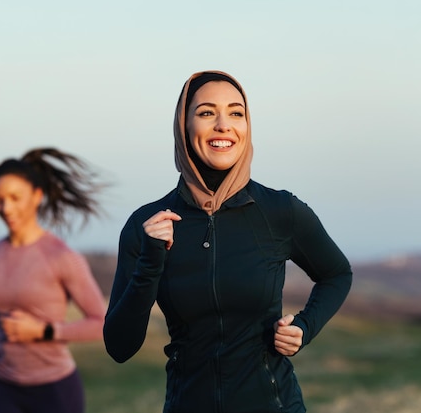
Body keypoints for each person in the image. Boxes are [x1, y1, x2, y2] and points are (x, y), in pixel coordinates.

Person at [103, 71, 352, 413]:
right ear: (184, 126)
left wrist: (305, 327)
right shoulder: (145, 226)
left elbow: (337, 273)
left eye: (236, 113)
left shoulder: (280, 211)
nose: (224, 125)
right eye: (207, 112)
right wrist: (150, 263)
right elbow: (119, 347)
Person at [0, 147, 107, 413]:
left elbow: (102, 324)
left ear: (37, 196)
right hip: (4, 388)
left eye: (15, 198)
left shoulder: (62, 257)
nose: (6, 208)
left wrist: (44, 331)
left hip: (55, 392)